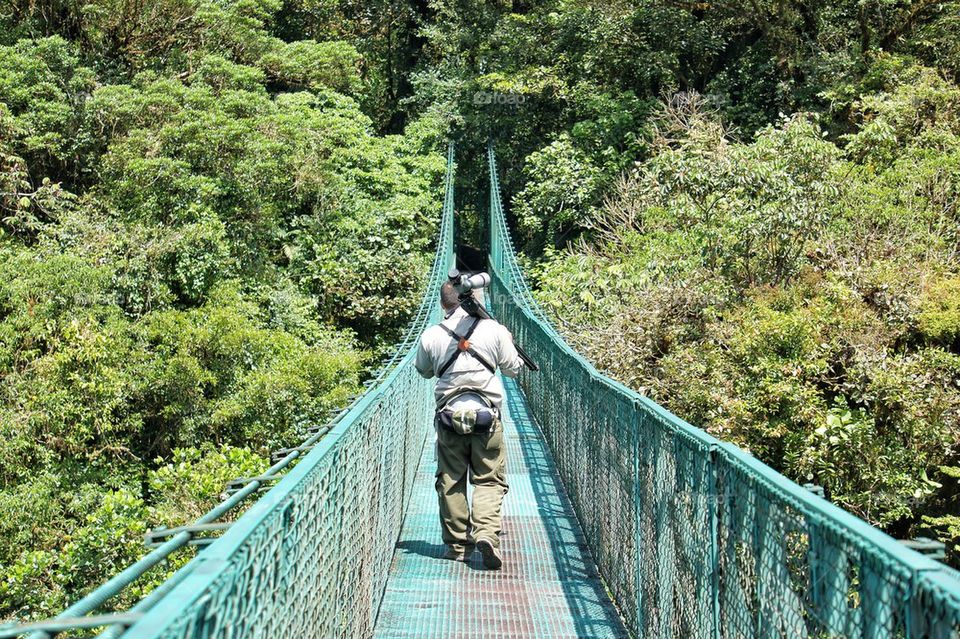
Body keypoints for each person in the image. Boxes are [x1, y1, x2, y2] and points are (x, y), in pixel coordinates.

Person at [415, 280, 524, 569]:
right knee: (488, 480)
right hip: (487, 419)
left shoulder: (431, 334)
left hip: (449, 418)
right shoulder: (495, 329)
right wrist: (505, 342)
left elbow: (424, 371)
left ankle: (458, 546)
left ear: (442, 304)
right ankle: (486, 534)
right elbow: (513, 370)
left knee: (450, 481)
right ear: (474, 298)